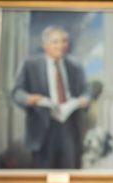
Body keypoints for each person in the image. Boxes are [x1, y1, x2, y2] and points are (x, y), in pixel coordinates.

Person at [12, 25, 90, 169]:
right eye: (55, 42)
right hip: (42, 127)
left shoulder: (75, 66)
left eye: (64, 41)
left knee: (70, 169)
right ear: (44, 45)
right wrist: (28, 99)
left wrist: (84, 99)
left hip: (69, 126)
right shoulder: (30, 65)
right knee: (43, 172)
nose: (61, 46)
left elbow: (86, 91)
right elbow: (16, 92)